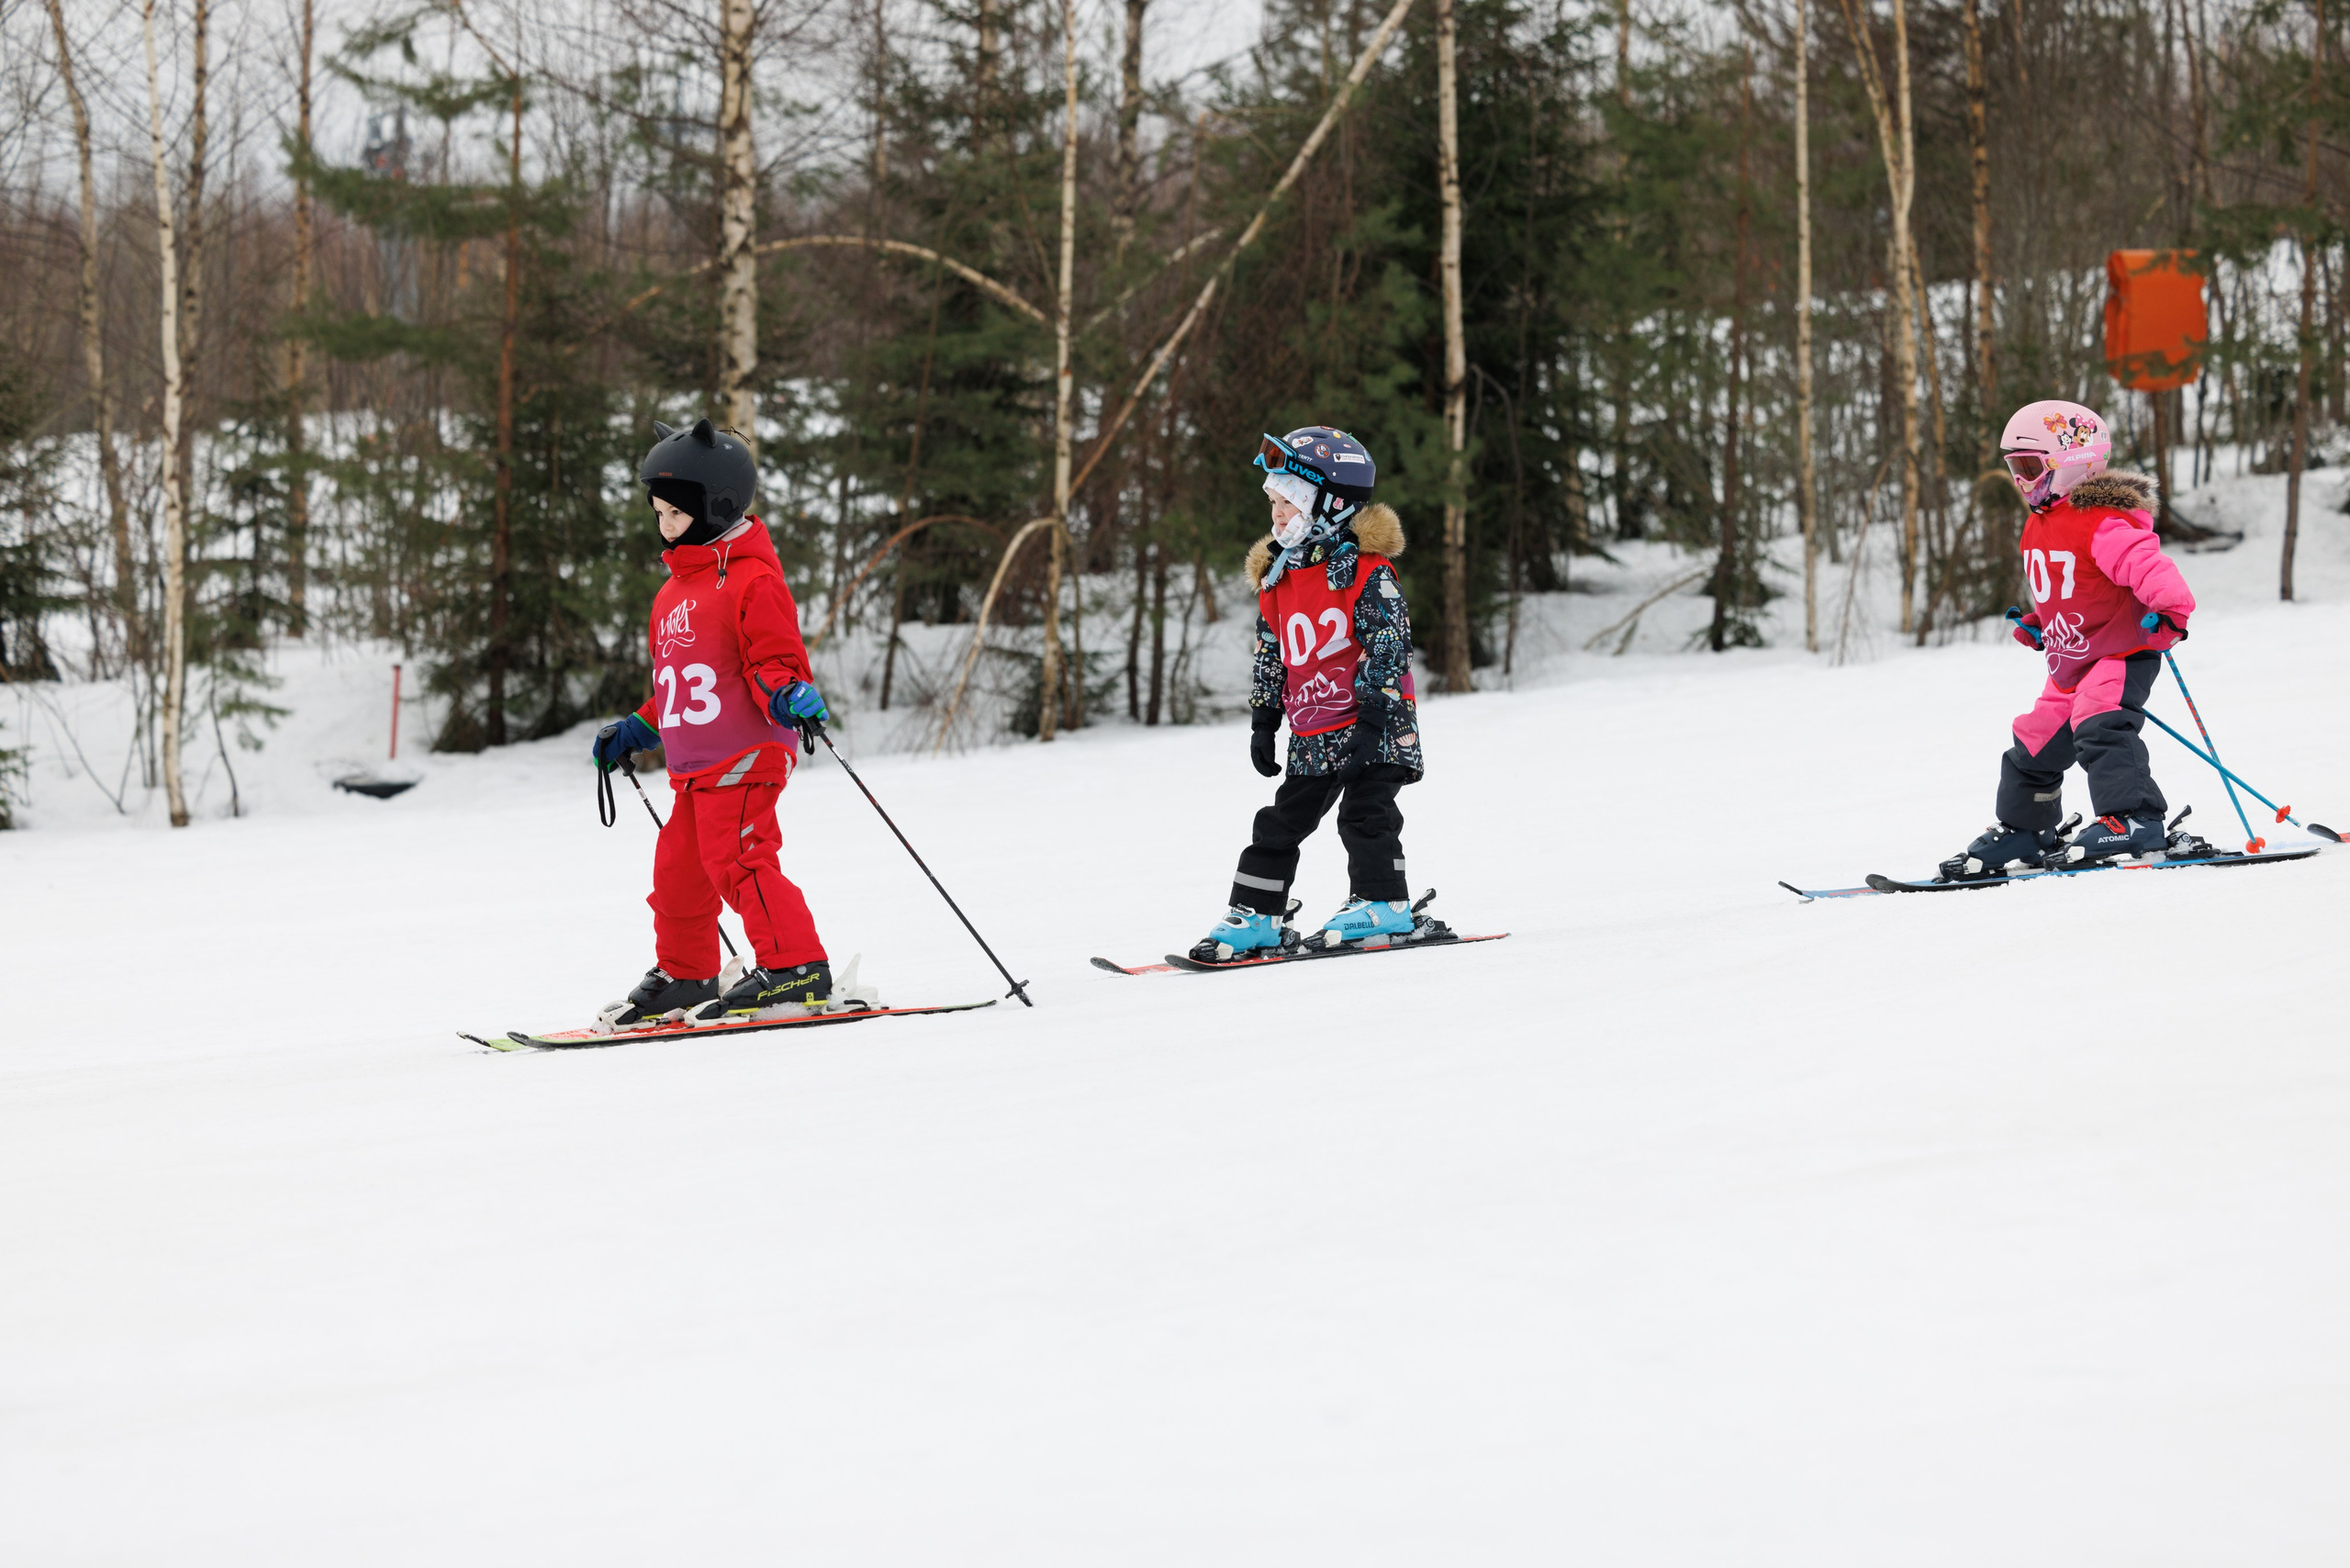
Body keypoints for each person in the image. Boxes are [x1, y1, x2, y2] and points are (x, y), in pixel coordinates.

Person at [588, 418, 838, 1028]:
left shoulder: (753, 579)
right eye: (659, 513)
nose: (666, 526)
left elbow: (771, 662)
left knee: (740, 859)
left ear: (718, 504)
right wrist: (635, 730)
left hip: (747, 752)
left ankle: (797, 966)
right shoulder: (672, 594)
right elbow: (680, 688)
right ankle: (687, 973)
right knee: (677, 873)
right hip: (694, 767)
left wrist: (788, 694)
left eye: (676, 512)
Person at [1193, 427, 1427, 962]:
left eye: (1290, 502)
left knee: (1365, 815)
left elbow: (1390, 646)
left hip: (1374, 723)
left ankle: (1384, 904)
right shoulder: (1279, 578)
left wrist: (1374, 719)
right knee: (1279, 823)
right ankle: (1258, 915)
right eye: (1273, 503)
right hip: (1313, 729)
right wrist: (1264, 719)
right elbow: (1271, 652)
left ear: (1331, 504)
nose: (1277, 515)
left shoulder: (1368, 572)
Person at [1942, 398, 2200, 880]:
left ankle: (2135, 820)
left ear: (2071, 462)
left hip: (2121, 651)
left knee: (2100, 724)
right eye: (2015, 467)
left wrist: (2171, 610)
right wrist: (2041, 621)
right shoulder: (2039, 523)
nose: (2022, 480)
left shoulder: (2102, 520)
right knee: (2035, 739)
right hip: (2071, 657)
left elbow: (2146, 565)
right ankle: (2026, 828)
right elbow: (2073, 586)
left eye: (2030, 466)